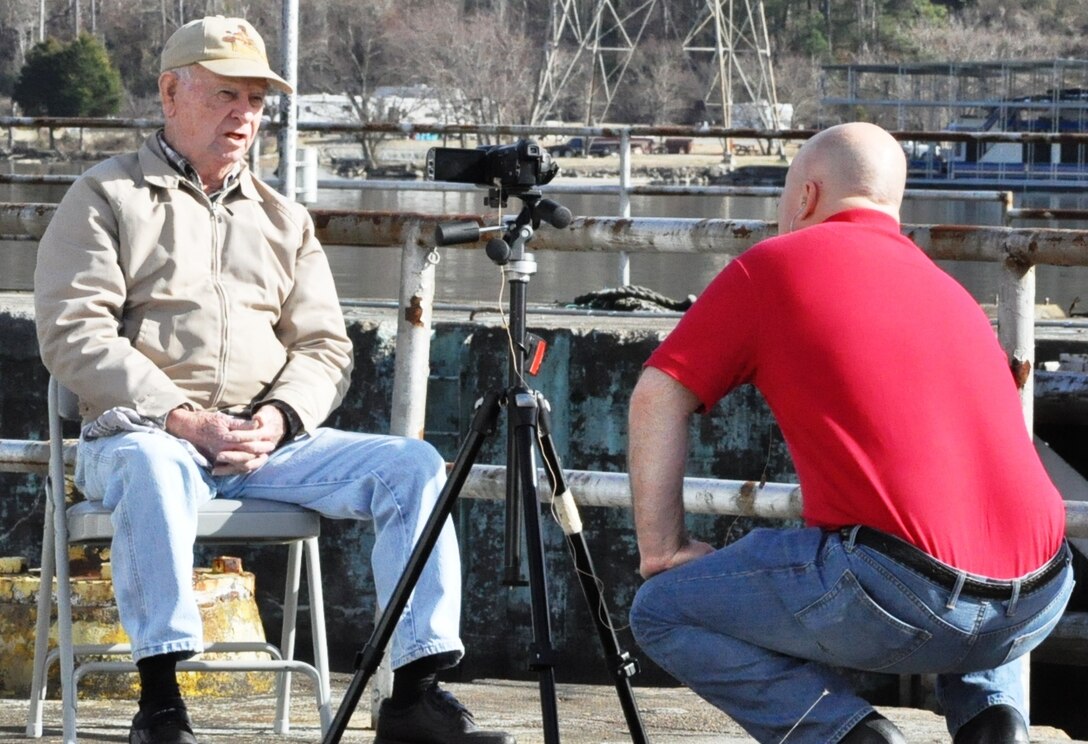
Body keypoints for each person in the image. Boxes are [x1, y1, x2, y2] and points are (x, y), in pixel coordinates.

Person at [34, 16, 514, 744]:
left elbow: (324, 345)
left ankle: (413, 695)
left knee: (412, 467)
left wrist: (283, 417)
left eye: (256, 101)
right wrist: (181, 415)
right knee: (154, 467)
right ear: (171, 91)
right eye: (226, 93)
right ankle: (160, 704)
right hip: (143, 435)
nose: (244, 116)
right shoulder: (107, 196)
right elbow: (74, 335)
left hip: (268, 450)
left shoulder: (282, 217)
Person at [626, 122, 1073, 744]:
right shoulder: (952, 293)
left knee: (663, 609)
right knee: (969, 543)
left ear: (806, 196)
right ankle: (995, 724)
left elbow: (656, 397)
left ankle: (849, 736)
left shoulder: (772, 266)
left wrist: (664, 550)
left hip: (904, 596)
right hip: (1041, 595)